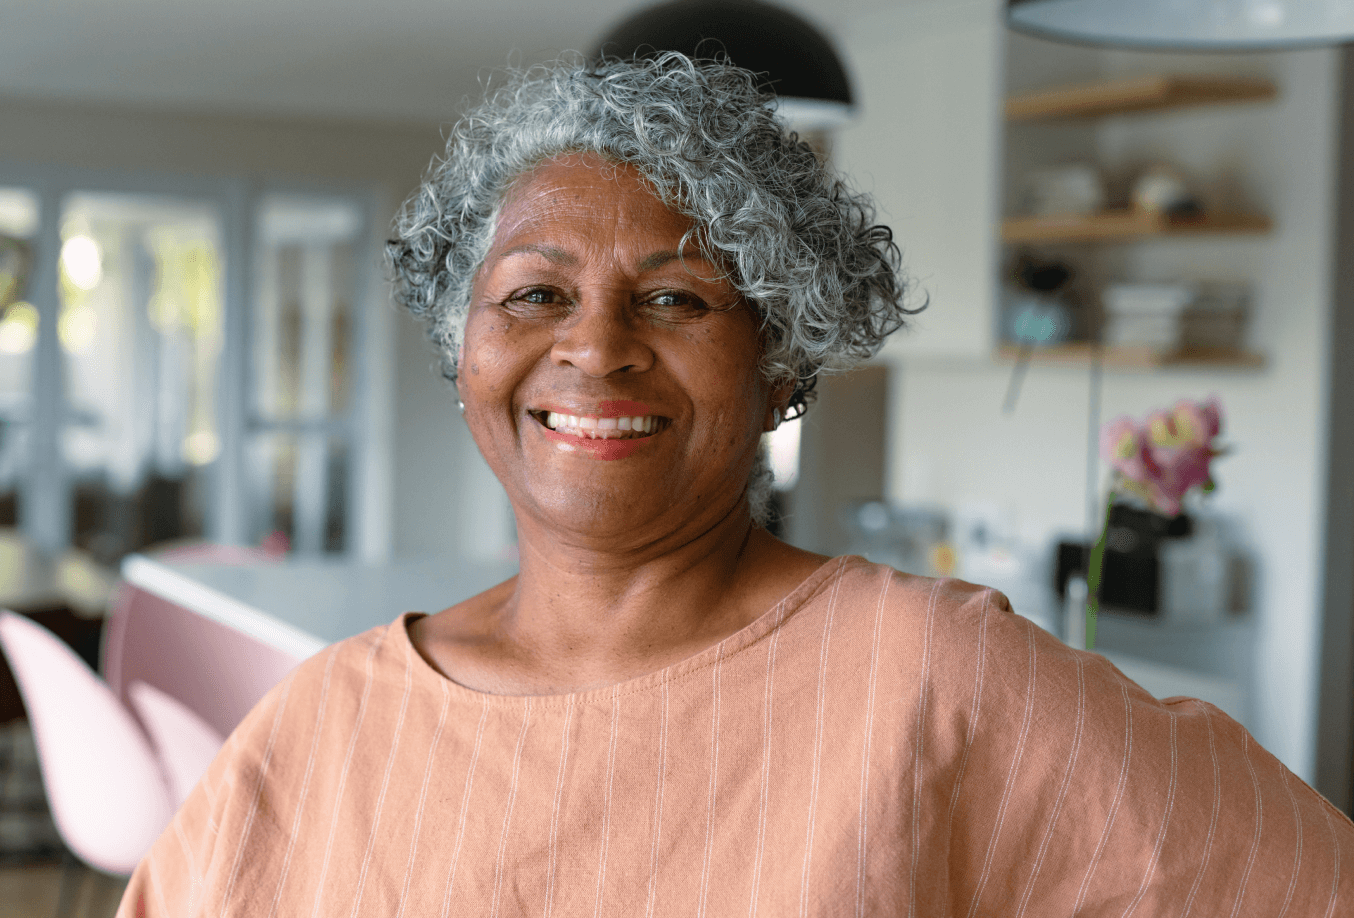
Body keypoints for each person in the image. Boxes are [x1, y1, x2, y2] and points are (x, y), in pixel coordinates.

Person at [118, 53, 1352, 916]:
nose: (595, 346)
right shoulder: (324, 721)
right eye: (535, 293)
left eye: (675, 297)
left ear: (778, 367)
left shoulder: (935, 678)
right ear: (465, 357)